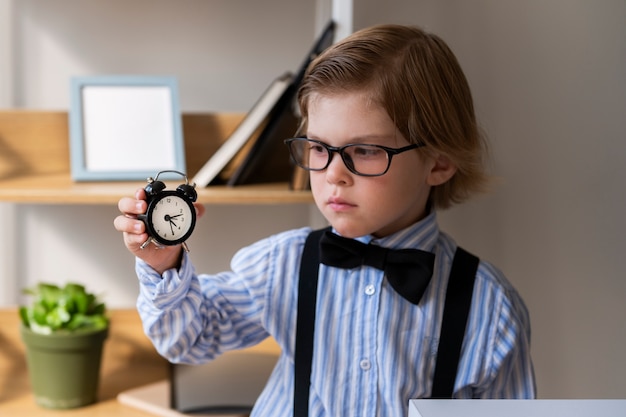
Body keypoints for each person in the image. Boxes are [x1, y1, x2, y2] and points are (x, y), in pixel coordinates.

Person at [114, 24, 536, 417]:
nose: (334, 173)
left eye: (366, 150)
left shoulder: (490, 309)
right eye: (318, 148)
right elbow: (188, 338)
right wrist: (163, 264)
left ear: (439, 162)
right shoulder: (284, 263)